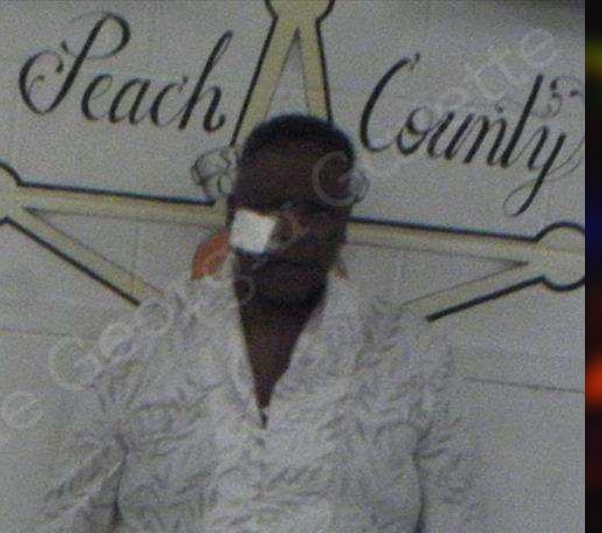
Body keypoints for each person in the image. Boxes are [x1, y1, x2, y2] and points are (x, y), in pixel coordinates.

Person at [36, 114, 482, 532]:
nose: (291, 232)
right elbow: (68, 519)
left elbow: (458, 519)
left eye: (316, 212)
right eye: (268, 209)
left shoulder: (413, 357)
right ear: (233, 216)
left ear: (344, 224)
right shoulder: (139, 345)